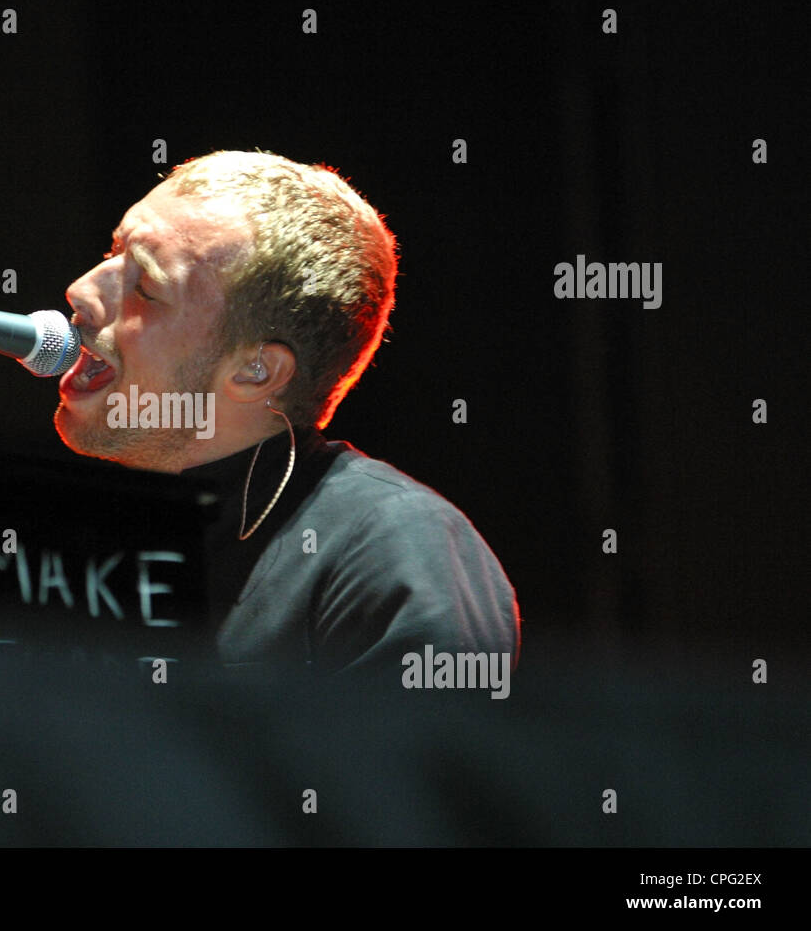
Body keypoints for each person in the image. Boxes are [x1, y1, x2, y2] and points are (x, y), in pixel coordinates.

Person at [70, 150, 520, 675]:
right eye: (112, 250)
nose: (80, 290)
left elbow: (427, 756)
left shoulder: (392, 544)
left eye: (145, 286)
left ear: (255, 371)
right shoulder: (80, 523)